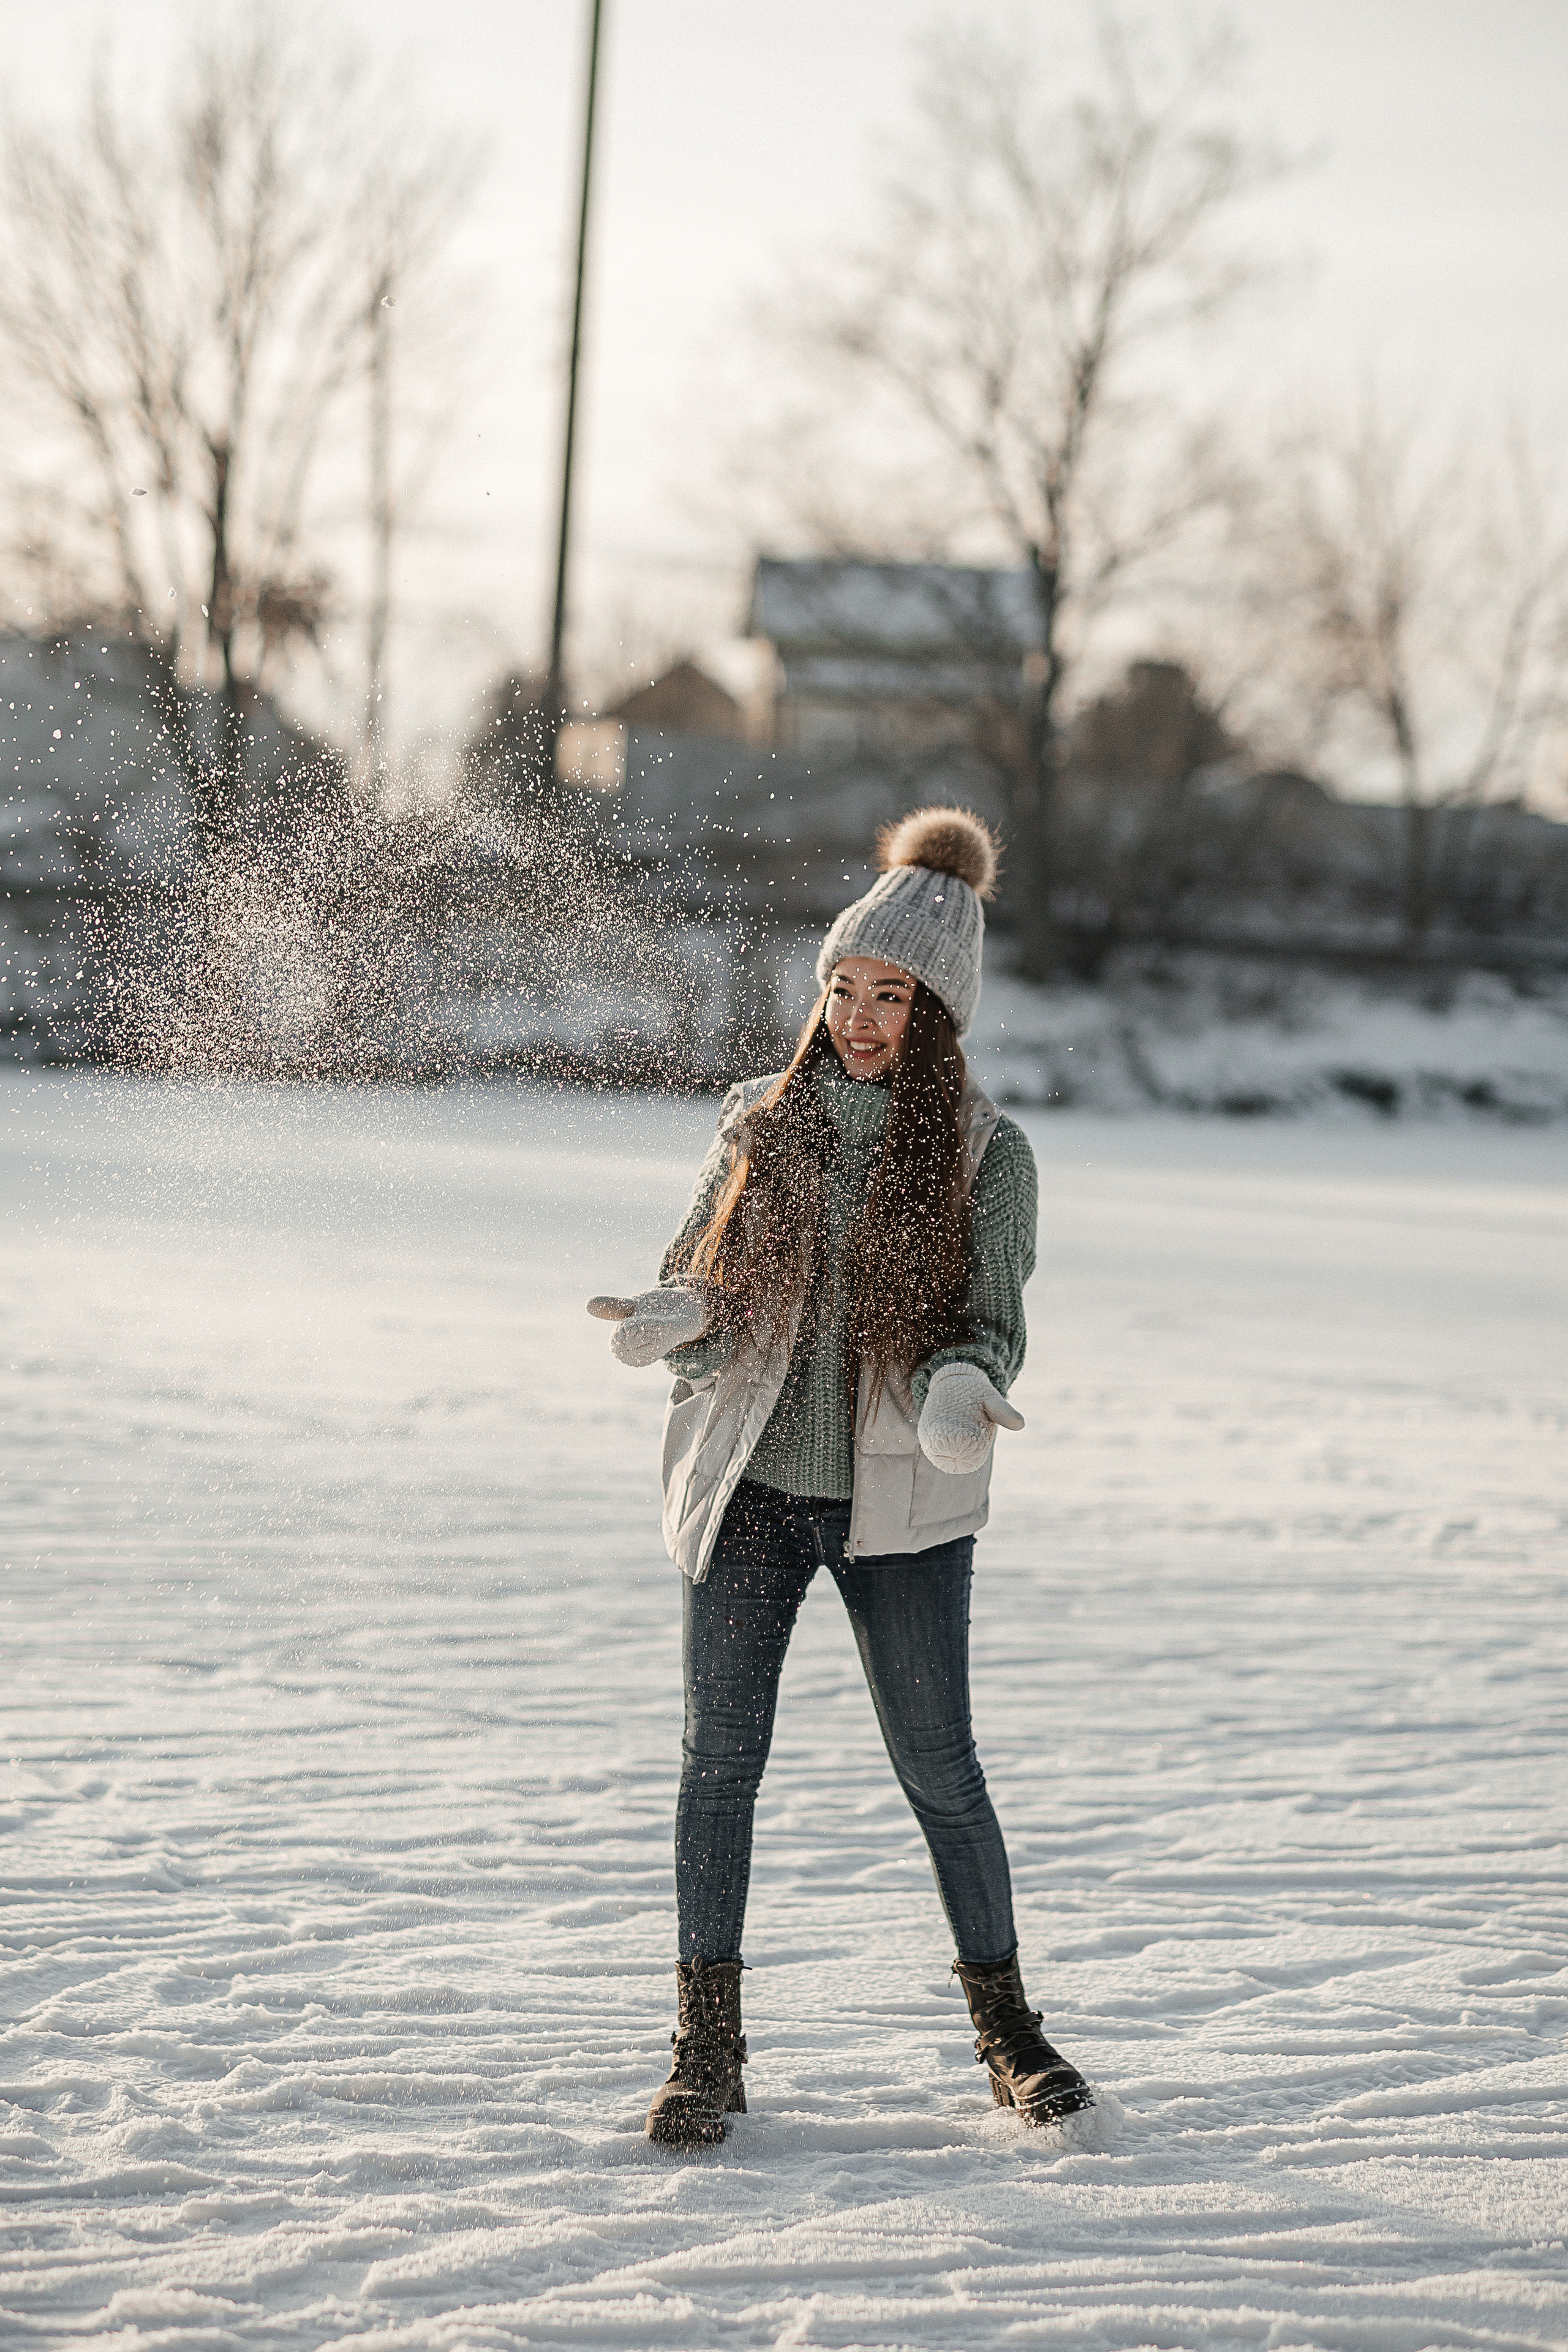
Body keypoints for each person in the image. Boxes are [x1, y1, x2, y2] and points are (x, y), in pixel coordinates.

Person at [587, 806, 1093, 2148]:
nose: (860, 1019)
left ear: (940, 1014)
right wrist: (679, 1319)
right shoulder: (759, 1115)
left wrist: (956, 1389)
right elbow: (698, 1263)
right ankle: (706, 2048)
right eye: (844, 989)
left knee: (939, 1767)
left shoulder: (991, 1158)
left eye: (892, 999)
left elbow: (990, 1322)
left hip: (902, 1510)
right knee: (717, 1767)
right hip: (749, 1489)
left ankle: (1008, 2032)